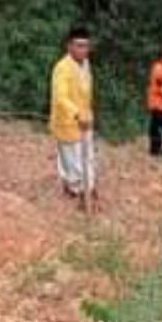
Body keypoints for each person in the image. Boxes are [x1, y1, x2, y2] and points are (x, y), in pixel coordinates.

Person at [50, 27, 96, 199]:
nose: (83, 50)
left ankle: (88, 188)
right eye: (79, 45)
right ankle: (74, 189)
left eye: (86, 46)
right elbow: (60, 97)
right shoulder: (62, 68)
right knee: (71, 158)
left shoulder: (86, 65)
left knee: (88, 156)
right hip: (67, 121)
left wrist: (87, 114)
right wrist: (77, 114)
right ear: (69, 46)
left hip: (86, 119)